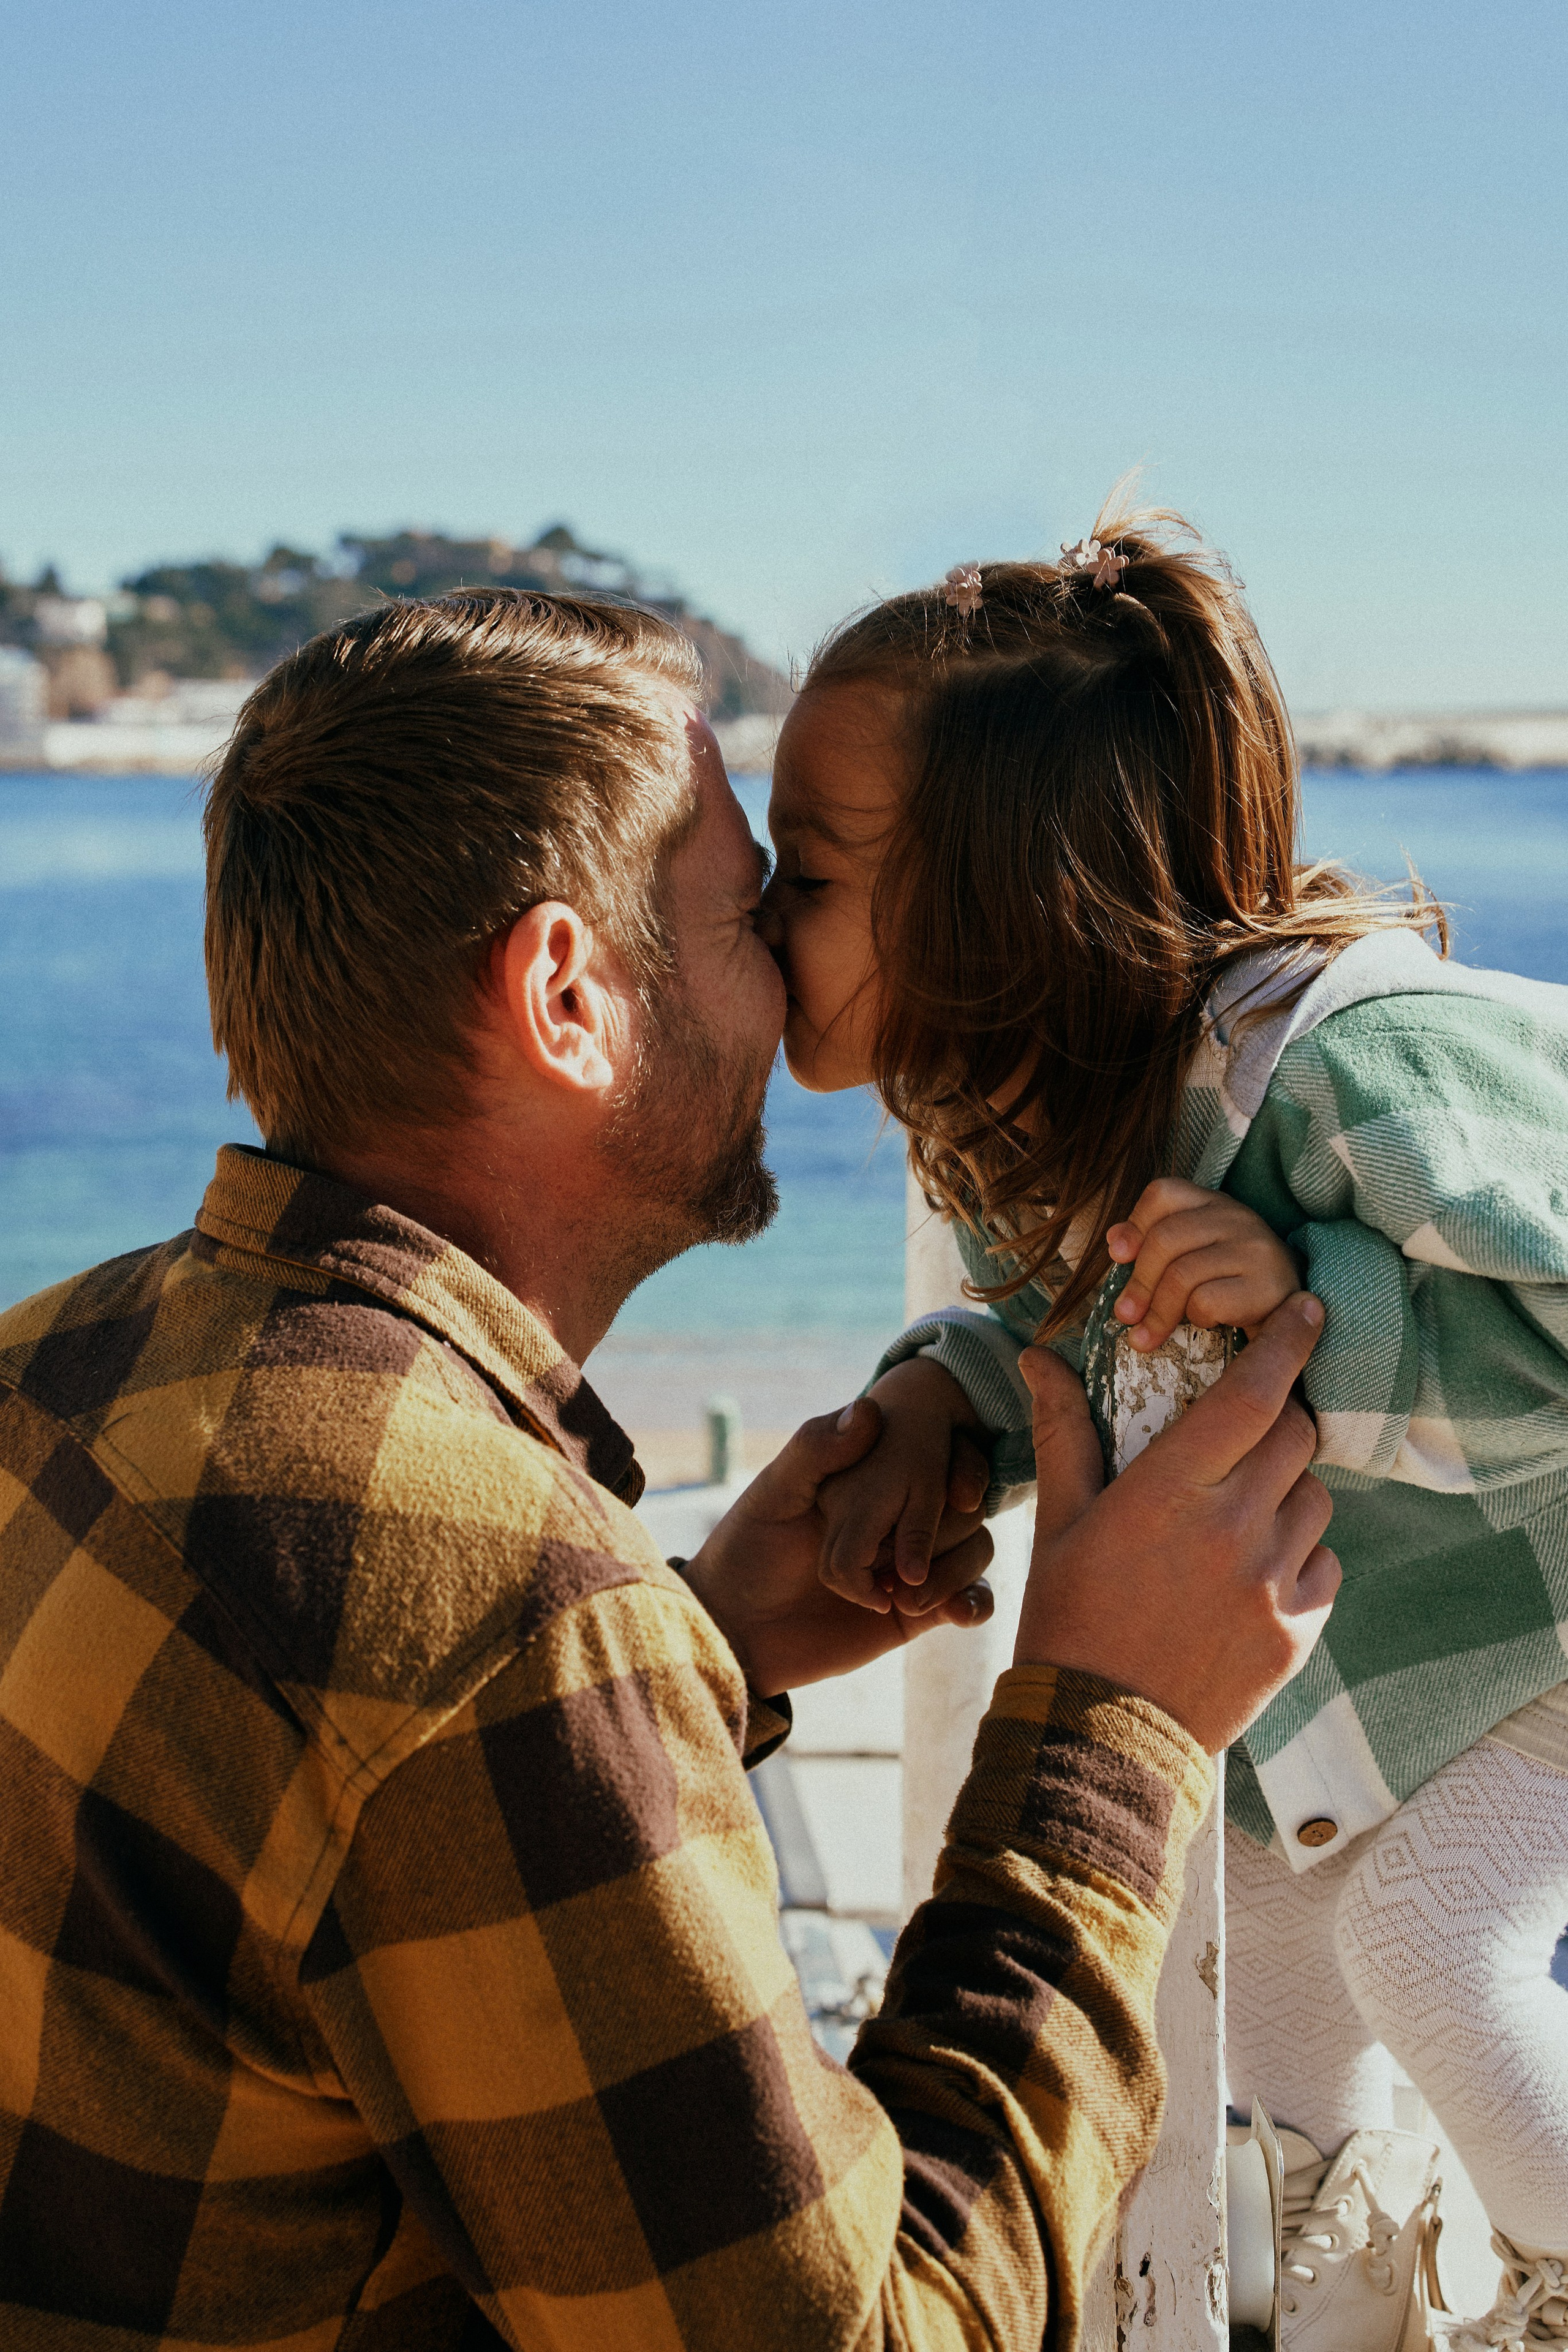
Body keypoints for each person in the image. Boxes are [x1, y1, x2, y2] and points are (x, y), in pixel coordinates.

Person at [0, 586, 1336, 2351]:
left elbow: (314, 1844)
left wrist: (698, 1643)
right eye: (747, 908)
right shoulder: (501, 1612)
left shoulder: (54, 1362)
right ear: (569, 995)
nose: (792, 974)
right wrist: (1110, 1728)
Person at [761, 504, 1568, 2350]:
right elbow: (1065, 1332)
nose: (756, 913)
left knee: (1427, 1944)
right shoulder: (1034, 1107)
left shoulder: (1355, 1067)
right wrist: (940, 1403)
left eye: (805, 875)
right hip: (1413, 1665)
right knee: (1254, 1962)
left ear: (1002, 906)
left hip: (1551, 1613)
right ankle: (1343, 2291)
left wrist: (1312, 1305)